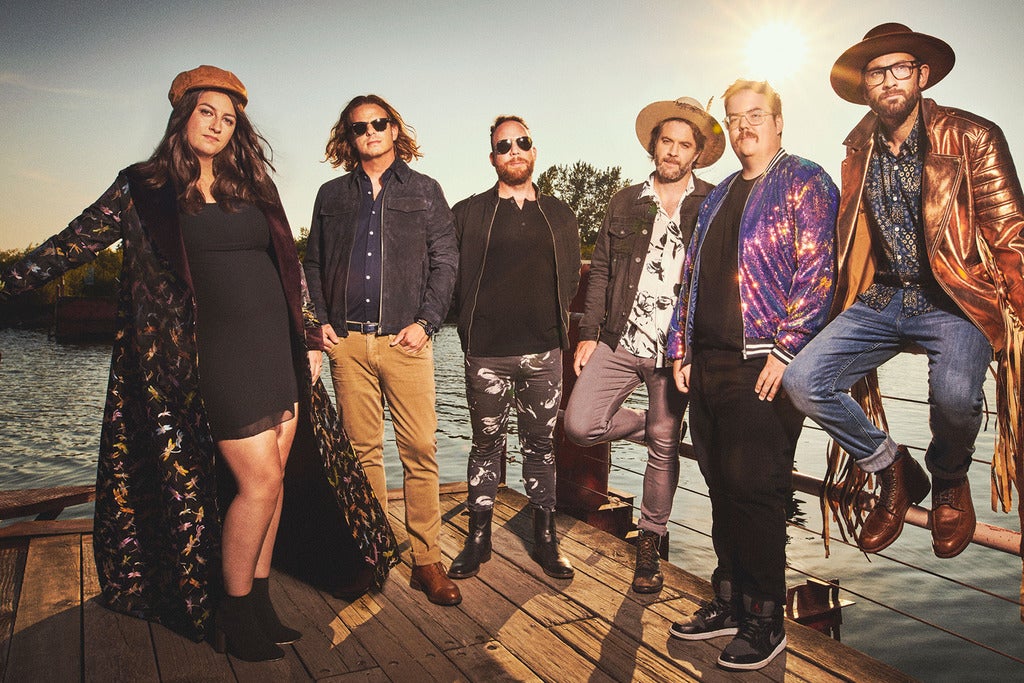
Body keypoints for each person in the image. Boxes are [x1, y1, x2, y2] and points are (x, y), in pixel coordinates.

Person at [0, 66, 398, 662]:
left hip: (276, 347)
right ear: (183, 115)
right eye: (206, 112)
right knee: (257, 481)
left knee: (278, 478)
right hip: (211, 355)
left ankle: (260, 601)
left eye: (228, 117)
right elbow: (71, 243)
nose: (217, 125)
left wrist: (311, 336)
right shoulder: (144, 186)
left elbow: (287, 265)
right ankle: (233, 613)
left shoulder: (253, 183)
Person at [784, 23, 1024, 560]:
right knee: (803, 381)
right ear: (864, 86)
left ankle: (949, 479)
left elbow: (1011, 235)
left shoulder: (971, 136)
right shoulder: (857, 148)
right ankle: (893, 469)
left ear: (920, 75)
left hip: (955, 298)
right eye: (876, 72)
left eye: (899, 68)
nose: (889, 80)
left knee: (957, 398)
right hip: (882, 297)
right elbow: (846, 240)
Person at [667, 80, 838, 672]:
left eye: (755, 116)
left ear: (779, 121)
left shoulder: (806, 180)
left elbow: (819, 273)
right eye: (735, 119)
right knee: (720, 486)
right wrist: (680, 347)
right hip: (707, 363)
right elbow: (690, 278)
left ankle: (766, 620)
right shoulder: (713, 200)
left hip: (763, 362)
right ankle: (730, 602)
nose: (744, 127)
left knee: (756, 490)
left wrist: (787, 350)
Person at [304, 95, 461, 606]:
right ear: (347, 137)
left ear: (394, 128)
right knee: (361, 452)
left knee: (420, 449)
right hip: (346, 343)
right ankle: (370, 555)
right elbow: (312, 264)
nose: (369, 132)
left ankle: (426, 560)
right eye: (358, 127)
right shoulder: (330, 195)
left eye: (379, 123)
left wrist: (426, 322)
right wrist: (319, 322)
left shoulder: (425, 190)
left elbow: (446, 263)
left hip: (404, 341)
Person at [563, 97, 724, 593]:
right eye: (666, 142)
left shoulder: (715, 202)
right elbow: (603, 271)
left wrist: (700, 349)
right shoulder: (624, 200)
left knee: (663, 448)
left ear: (696, 154)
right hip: (620, 337)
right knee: (579, 424)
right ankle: (651, 429)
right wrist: (589, 334)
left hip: (675, 350)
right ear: (654, 146)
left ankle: (650, 544)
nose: (673, 152)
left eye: (684, 144)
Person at [448, 115, 581, 580]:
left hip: (544, 353)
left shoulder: (561, 215)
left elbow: (570, 280)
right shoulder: (468, 213)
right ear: (493, 158)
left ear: (534, 150)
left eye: (522, 141)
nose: (514, 150)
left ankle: (545, 539)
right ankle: (477, 539)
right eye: (504, 146)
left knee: (541, 446)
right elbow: (444, 272)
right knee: (486, 444)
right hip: (487, 353)